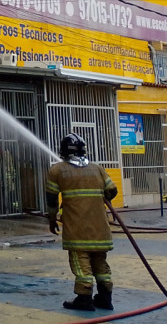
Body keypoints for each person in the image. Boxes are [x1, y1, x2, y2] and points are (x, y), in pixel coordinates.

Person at [46, 132, 118, 312]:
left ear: (63, 151)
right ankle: (105, 298)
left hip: (77, 229)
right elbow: (112, 191)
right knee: (100, 263)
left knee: (81, 262)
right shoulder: (97, 169)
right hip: (100, 228)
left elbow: (52, 200)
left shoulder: (57, 171)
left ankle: (84, 299)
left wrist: (52, 219)